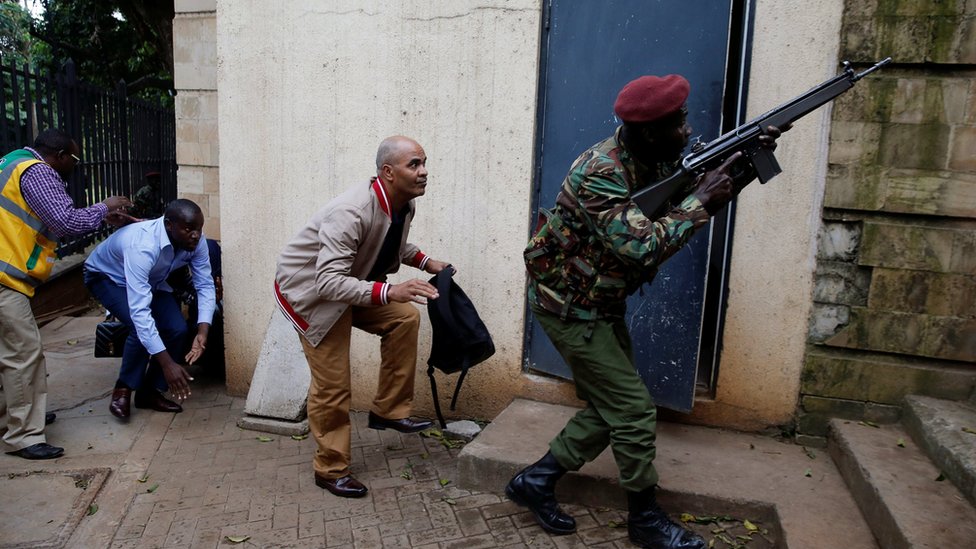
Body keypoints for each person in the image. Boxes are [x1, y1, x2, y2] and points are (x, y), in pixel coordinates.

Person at [508, 75, 785, 549]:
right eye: (679, 122)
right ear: (652, 132)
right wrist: (702, 200)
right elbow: (641, 246)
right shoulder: (601, 171)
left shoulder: (654, 158)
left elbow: (683, 201)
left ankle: (535, 481)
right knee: (633, 410)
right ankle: (645, 520)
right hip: (569, 306)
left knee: (611, 406)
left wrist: (735, 168)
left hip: (599, 300)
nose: (687, 127)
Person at [275, 136, 451, 499]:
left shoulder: (403, 204)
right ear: (388, 172)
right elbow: (326, 282)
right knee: (333, 386)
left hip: (351, 283)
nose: (424, 172)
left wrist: (426, 262)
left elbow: (393, 244)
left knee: (404, 318)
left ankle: (388, 410)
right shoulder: (351, 212)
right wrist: (389, 291)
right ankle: (330, 468)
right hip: (313, 295)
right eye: (414, 164)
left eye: (424, 163)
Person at [0, 128, 132, 460]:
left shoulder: (13, 161)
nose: (75, 166)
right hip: (4, 279)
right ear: (59, 156)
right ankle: (23, 436)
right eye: (74, 159)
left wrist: (101, 218)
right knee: (24, 354)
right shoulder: (38, 171)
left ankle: (16, 415)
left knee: (7, 353)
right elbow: (65, 222)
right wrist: (105, 207)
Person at [83, 199, 215, 421]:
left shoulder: (196, 241)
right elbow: (141, 313)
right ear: (169, 225)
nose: (196, 235)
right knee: (139, 325)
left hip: (151, 280)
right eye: (189, 229)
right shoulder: (143, 245)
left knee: (177, 329)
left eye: (199, 229)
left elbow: (205, 284)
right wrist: (168, 364)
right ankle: (123, 389)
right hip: (108, 277)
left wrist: (202, 332)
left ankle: (149, 393)